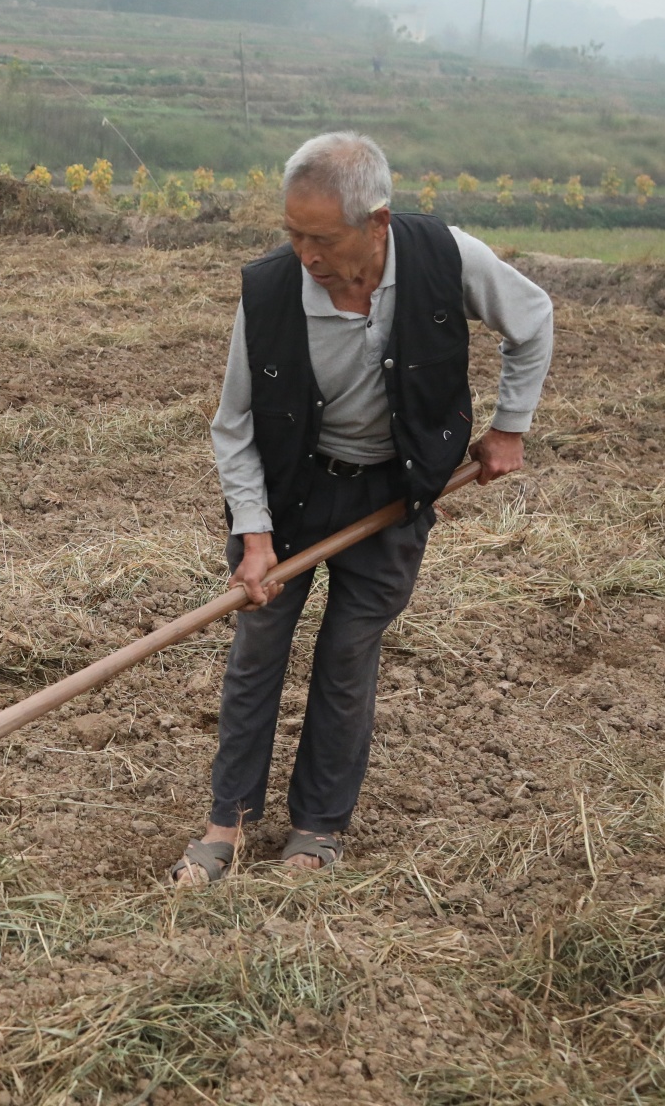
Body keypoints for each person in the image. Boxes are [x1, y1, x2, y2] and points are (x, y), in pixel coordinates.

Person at [171, 131, 554, 884]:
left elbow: (532, 319)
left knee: (347, 656)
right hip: (292, 494)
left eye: (320, 237)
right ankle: (230, 821)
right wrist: (254, 536)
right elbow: (235, 424)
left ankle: (317, 828)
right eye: (292, 232)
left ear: (376, 222)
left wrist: (511, 426)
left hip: (394, 490)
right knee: (257, 651)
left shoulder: (447, 259)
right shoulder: (273, 290)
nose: (305, 253)